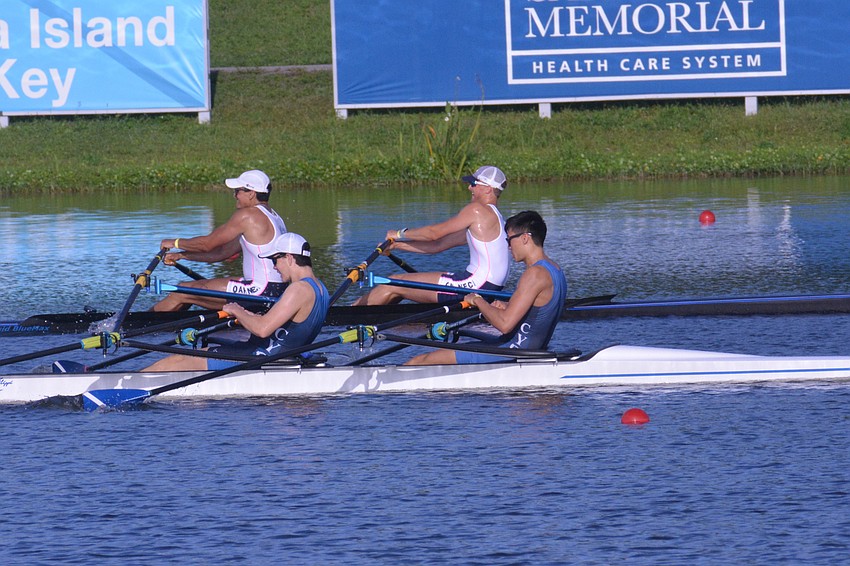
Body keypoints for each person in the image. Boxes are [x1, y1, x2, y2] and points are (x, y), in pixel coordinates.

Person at [144, 233, 329, 371]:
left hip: (262, 356)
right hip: (276, 353)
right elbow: (287, 327)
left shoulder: (298, 289)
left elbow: (263, 329)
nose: (274, 266)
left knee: (176, 361)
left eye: (275, 260)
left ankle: (123, 385)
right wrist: (248, 314)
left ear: (288, 258)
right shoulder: (320, 288)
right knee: (206, 347)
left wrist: (236, 310)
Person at [405, 210, 567, 365]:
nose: (508, 246)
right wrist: (507, 306)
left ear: (525, 238)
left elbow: (505, 325)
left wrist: (477, 300)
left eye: (509, 239)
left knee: (420, 361)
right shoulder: (555, 270)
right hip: (527, 347)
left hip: (513, 351)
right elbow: (538, 313)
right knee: (455, 342)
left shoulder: (534, 274)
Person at [353, 165, 511, 306]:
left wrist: (399, 234)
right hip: (488, 288)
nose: (470, 188)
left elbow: (433, 234)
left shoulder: (477, 210)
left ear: (488, 189)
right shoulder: (495, 219)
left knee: (391, 284)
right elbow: (437, 246)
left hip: (475, 285)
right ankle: (378, 318)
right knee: (401, 285)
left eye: (473, 184)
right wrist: (397, 246)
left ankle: (347, 316)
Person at [151, 169, 288, 311]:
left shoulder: (248, 215)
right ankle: (171, 324)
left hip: (260, 292)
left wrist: (174, 243)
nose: (235, 195)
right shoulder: (274, 217)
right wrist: (181, 255)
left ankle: (141, 325)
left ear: (251, 193)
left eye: (237, 191)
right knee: (195, 289)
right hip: (275, 290)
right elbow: (221, 253)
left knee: (181, 290)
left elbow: (207, 244)